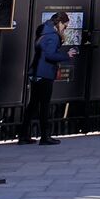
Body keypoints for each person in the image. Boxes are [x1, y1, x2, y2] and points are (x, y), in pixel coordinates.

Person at [20, 11, 77, 146]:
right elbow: (50, 55)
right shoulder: (52, 36)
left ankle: (23, 135)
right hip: (45, 73)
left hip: (36, 72)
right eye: (65, 26)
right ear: (60, 23)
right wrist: (67, 55)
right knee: (44, 105)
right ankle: (45, 136)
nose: (65, 29)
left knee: (33, 104)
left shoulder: (43, 31)